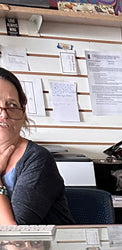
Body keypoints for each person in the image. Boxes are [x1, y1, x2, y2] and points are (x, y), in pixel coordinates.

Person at [0, 67, 73, 225]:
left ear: (22, 112)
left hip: (45, 248)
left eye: (11, 105)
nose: (4, 114)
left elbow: (18, 235)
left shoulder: (36, 158)